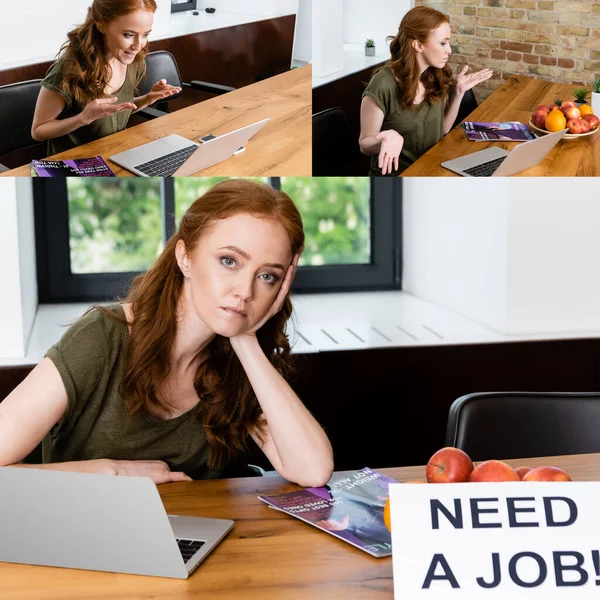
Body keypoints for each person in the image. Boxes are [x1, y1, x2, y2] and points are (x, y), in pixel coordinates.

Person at [0, 179, 334, 487]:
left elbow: (313, 471)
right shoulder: (103, 338)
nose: (245, 291)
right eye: (229, 261)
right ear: (185, 258)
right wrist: (109, 472)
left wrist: (244, 341)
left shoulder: (242, 363)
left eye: (267, 277)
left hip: (188, 538)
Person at [31, 0, 181, 155]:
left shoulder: (134, 62)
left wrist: (147, 99)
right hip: (74, 163)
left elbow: (113, 112)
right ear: (101, 25)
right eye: (128, 35)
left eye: (145, 35)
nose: (138, 45)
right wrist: (83, 118)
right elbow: (38, 131)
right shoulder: (68, 70)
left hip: (114, 153)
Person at [359, 6, 494, 176]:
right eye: (443, 43)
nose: (449, 50)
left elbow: (442, 129)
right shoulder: (382, 84)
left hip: (431, 169)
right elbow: (364, 144)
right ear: (418, 45)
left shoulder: (437, 75)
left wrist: (458, 92)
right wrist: (385, 139)